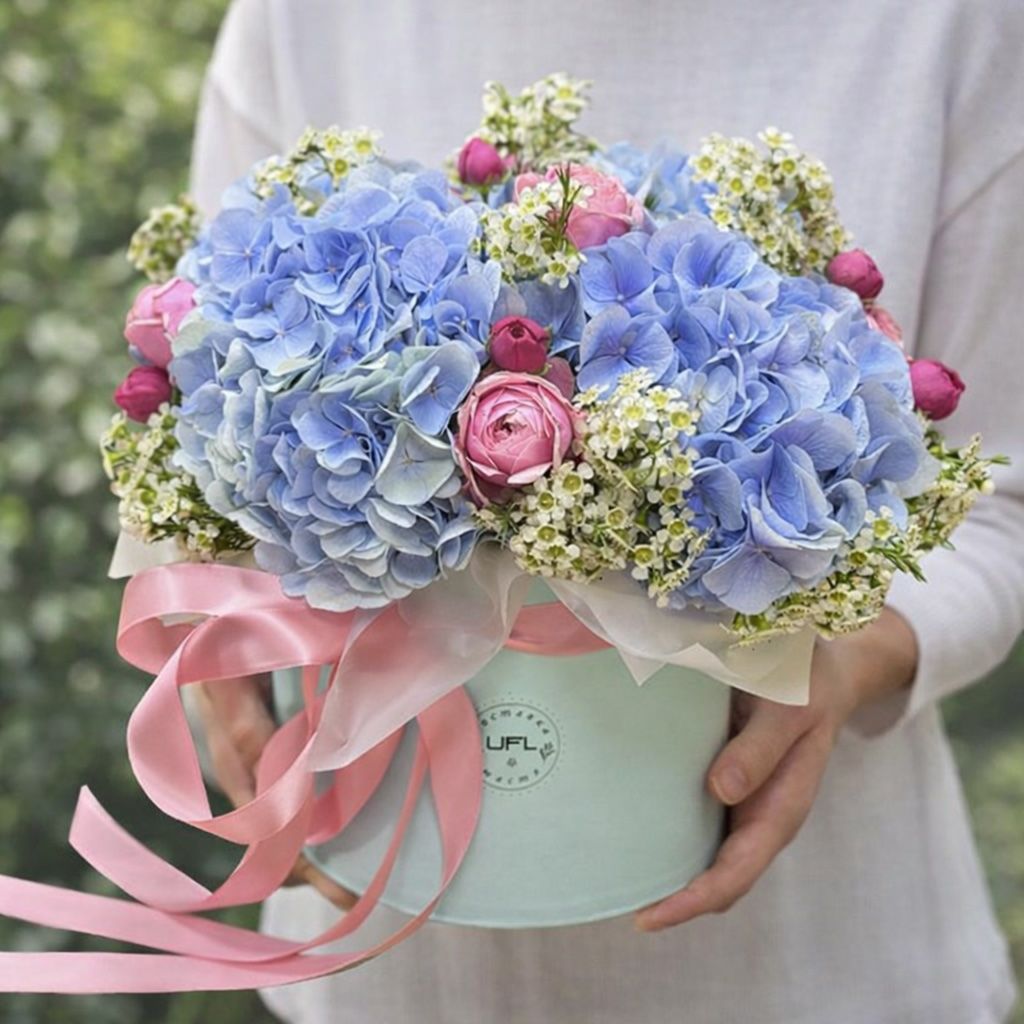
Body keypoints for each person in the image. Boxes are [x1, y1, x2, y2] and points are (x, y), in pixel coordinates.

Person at [186, 1, 1024, 1020]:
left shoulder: (956, 23)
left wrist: (850, 657)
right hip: (386, 968)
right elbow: (198, 388)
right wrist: (215, 649)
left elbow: (1001, 503)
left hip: (817, 966)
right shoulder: (303, 17)